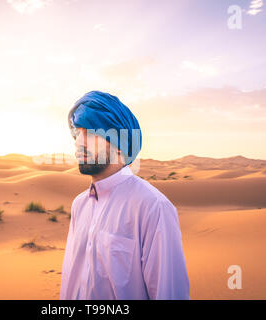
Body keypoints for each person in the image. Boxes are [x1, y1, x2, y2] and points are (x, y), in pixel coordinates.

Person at [59, 90, 190, 299]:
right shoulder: (79, 205)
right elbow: (70, 281)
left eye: (90, 133)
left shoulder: (152, 207)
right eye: (77, 133)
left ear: (120, 144)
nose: (78, 143)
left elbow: (169, 293)